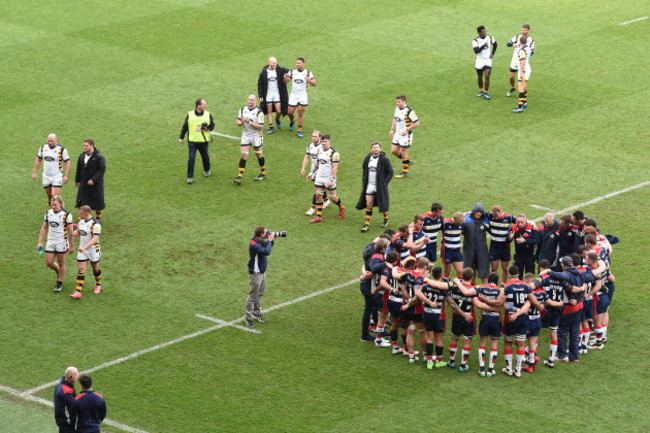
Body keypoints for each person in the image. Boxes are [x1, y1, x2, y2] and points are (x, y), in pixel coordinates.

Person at [37, 195, 74, 293]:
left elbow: (71, 232)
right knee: (49, 262)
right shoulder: (48, 213)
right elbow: (44, 227)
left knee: (61, 262)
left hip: (61, 241)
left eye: (55, 205)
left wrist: (71, 246)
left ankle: (59, 282)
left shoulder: (66, 215)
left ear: (61, 204)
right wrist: (40, 241)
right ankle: (58, 271)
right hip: (51, 240)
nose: (53, 207)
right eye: (51, 204)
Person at [357, 142, 393, 232]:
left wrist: (384, 183)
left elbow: (390, 172)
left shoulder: (384, 159)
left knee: (382, 202)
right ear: (371, 149)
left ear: (380, 149)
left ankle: (386, 218)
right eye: (374, 147)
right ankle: (366, 224)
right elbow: (364, 169)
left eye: (377, 147)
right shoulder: (368, 158)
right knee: (369, 204)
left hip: (380, 186)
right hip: (369, 185)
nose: (376, 149)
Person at [309, 135, 345, 223]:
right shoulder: (319, 150)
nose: (324, 143)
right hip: (320, 177)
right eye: (322, 141)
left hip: (328, 178)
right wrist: (312, 173)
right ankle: (319, 216)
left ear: (329, 142)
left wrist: (331, 180)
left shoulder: (334, 153)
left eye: (325, 141)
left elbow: (335, 167)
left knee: (332, 197)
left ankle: (341, 207)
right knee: (318, 195)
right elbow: (317, 163)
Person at [70, 205, 102, 299]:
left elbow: (95, 239)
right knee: (81, 269)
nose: (79, 215)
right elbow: (78, 233)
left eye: (80, 213)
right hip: (82, 249)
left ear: (86, 213)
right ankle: (78, 291)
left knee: (95, 268)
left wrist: (85, 247)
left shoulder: (95, 224)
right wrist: (72, 232)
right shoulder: (81, 221)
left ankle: (98, 285)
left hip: (92, 250)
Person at [179, 98, 214, 184]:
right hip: (192, 141)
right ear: (198, 106)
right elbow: (185, 126)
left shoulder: (208, 114)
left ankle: (207, 170)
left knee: (205, 157)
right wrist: (181, 137)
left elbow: (212, 125)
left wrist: (208, 128)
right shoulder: (190, 115)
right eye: (204, 104)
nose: (205, 105)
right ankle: (190, 177)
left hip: (203, 141)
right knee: (191, 158)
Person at [233, 95, 266, 185]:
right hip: (246, 135)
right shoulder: (243, 109)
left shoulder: (259, 112)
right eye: (249, 99)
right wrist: (241, 122)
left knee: (259, 154)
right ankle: (239, 177)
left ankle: (263, 173)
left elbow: (261, 127)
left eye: (252, 100)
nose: (250, 101)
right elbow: (238, 121)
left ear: (255, 101)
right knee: (244, 155)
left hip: (256, 136)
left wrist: (250, 122)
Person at [245, 226, 274, 328]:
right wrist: (270, 241)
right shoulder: (254, 244)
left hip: (262, 271)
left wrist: (272, 241)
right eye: (266, 233)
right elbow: (267, 251)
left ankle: (256, 313)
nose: (267, 234)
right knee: (252, 296)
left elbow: (267, 248)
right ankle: (248, 318)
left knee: (260, 293)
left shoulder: (260, 241)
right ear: (261, 235)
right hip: (256, 273)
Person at [32, 133, 71, 204]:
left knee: (54, 196)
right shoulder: (43, 148)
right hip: (46, 176)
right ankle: (52, 210)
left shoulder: (61, 150)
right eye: (48, 141)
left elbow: (67, 162)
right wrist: (34, 172)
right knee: (50, 196)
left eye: (51, 141)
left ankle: (60, 210)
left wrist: (66, 175)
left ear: (56, 140)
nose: (49, 142)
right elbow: (38, 159)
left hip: (57, 176)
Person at [75, 139, 106, 221]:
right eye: (84, 146)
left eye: (86, 146)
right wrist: (77, 180)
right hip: (83, 183)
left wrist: (93, 179)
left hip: (95, 185)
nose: (84, 147)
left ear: (92, 145)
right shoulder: (82, 156)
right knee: (81, 200)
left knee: (97, 201)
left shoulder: (99, 157)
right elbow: (79, 168)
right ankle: (80, 219)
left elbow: (101, 170)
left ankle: (98, 218)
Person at [285, 57, 316, 138]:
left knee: (300, 112)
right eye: (296, 63)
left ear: (303, 64)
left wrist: (309, 80)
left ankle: (299, 130)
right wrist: (285, 78)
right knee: (290, 112)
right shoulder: (292, 72)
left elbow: (314, 83)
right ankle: (292, 120)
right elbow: (286, 82)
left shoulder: (308, 73)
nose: (297, 64)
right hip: (294, 94)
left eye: (299, 63)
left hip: (302, 95)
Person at [257, 57, 290, 134]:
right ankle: (271, 127)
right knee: (269, 110)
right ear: (269, 63)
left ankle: (277, 119)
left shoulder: (280, 70)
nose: (275, 64)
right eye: (273, 63)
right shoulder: (264, 72)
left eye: (275, 63)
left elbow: (290, 71)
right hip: (268, 94)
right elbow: (260, 84)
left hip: (276, 93)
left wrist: (288, 76)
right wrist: (260, 95)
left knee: (279, 110)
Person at [390, 95, 419, 178]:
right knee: (394, 151)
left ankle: (404, 172)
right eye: (397, 102)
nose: (397, 103)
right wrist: (392, 129)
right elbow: (395, 119)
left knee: (403, 153)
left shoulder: (410, 111)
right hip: (397, 134)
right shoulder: (397, 109)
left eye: (399, 102)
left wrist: (407, 129)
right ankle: (407, 162)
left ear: (404, 101)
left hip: (406, 135)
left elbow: (417, 123)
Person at [301, 130, 330, 215]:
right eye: (313, 136)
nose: (314, 138)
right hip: (313, 170)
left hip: (321, 171)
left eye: (315, 136)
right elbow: (306, 157)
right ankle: (327, 200)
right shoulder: (310, 146)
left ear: (320, 138)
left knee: (316, 190)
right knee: (319, 188)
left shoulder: (323, 147)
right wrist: (303, 168)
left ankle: (312, 208)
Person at [486, 205, 516, 284]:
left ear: (501, 212)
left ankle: (503, 284)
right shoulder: (490, 215)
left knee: (505, 268)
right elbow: (480, 213)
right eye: (494, 216)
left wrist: (512, 231)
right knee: (494, 267)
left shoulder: (508, 217)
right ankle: (492, 285)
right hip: (494, 246)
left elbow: (518, 222)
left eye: (497, 216)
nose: (495, 218)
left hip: (505, 247)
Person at [463, 203, 490, 283]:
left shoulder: (485, 220)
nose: (479, 213)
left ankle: (486, 289)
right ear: (473, 211)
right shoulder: (466, 219)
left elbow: (494, 232)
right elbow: (456, 223)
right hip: (468, 251)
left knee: (484, 273)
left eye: (481, 212)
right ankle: (470, 289)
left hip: (482, 252)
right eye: (477, 211)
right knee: (469, 271)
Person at [507, 24, 535, 96]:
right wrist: (513, 44)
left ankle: (523, 98)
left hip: (523, 62)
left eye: (525, 30)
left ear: (528, 30)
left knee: (522, 82)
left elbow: (532, 51)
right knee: (511, 77)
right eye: (522, 30)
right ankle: (513, 87)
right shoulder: (517, 37)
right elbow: (508, 43)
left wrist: (526, 58)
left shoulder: (531, 40)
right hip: (515, 60)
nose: (523, 31)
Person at [509, 214, 539, 279]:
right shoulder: (514, 228)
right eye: (518, 222)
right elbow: (507, 241)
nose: (519, 224)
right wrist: (510, 238)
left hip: (530, 256)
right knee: (517, 277)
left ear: (525, 221)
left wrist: (525, 240)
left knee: (529, 276)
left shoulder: (532, 227)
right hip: (518, 256)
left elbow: (537, 240)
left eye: (521, 222)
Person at [472, 26, 497, 99]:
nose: (485, 33)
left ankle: (486, 92)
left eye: (485, 31)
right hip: (479, 60)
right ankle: (481, 90)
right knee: (480, 76)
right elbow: (476, 51)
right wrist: (483, 46)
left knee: (487, 75)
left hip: (487, 60)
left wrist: (492, 53)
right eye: (483, 32)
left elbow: (495, 44)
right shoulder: (475, 40)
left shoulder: (489, 37)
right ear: (479, 33)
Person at [54, 366, 78, 433]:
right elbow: (73, 407)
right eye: (76, 375)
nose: (77, 377)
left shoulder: (59, 385)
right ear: (70, 377)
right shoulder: (67, 391)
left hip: (61, 420)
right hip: (67, 423)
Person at [441, 212, 465, 279]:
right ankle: (447, 288)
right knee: (447, 272)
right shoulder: (445, 223)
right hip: (447, 252)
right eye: (458, 224)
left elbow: (463, 231)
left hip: (457, 252)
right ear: (454, 220)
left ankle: (458, 289)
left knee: (461, 272)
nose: (459, 225)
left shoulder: (461, 223)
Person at [512, 35, 532, 113]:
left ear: (520, 42)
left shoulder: (521, 50)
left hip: (524, 70)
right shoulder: (528, 48)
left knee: (520, 88)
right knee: (523, 87)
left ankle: (520, 107)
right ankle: (524, 102)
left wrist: (521, 72)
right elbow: (526, 59)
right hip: (527, 68)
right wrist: (518, 63)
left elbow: (523, 62)